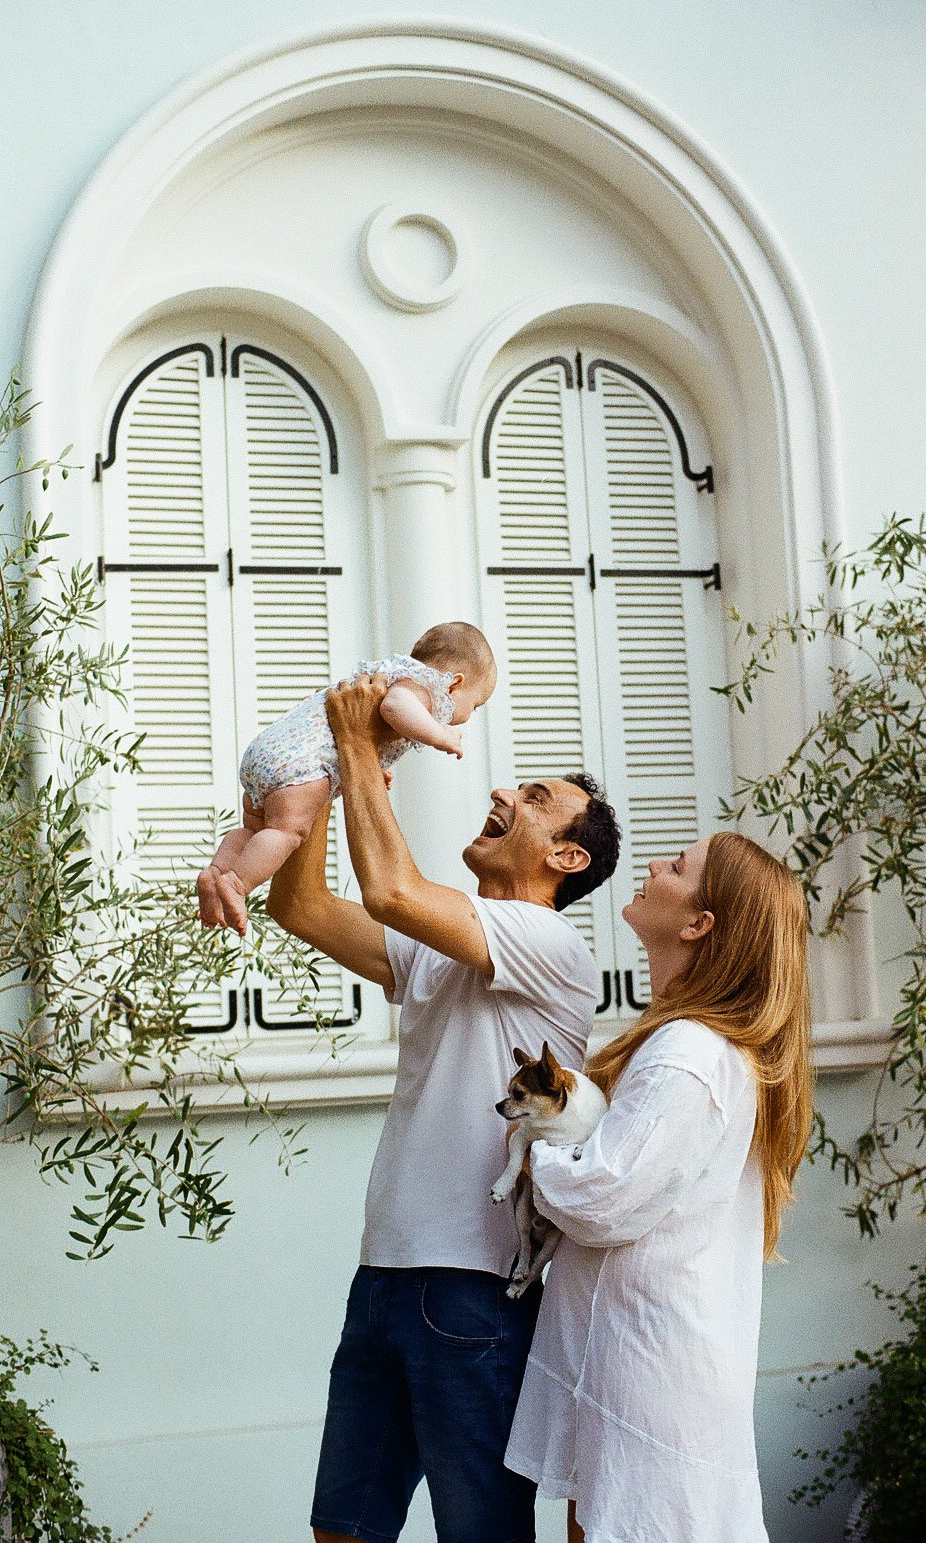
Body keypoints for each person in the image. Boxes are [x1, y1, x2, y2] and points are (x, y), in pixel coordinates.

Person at [266, 672, 622, 1543]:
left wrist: (356, 746)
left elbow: (390, 889)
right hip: (384, 1270)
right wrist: (310, 780)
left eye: (533, 799)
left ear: (564, 858)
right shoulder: (441, 948)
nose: (503, 791)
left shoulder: (549, 943)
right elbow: (299, 904)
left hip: (472, 1289)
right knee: (342, 1529)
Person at [505, 833, 813, 1543]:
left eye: (676, 867)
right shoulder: (691, 1043)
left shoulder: (689, 1053)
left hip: (647, 1369)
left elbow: (602, 1196)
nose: (651, 867)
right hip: (638, 1357)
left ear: (698, 922)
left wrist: (529, 1150)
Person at [197, 621, 496, 934]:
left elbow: (361, 729)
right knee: (287, 831)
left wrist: (373, 766)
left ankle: (217, 871)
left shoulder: (391, 677)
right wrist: (439, 734)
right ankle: (236, 883)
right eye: (474, 705)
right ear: (454, 685)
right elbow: (395, 708)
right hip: (300, 766)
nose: (467, 715)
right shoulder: (420, 688)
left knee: (254, 829)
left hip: (268, 754)